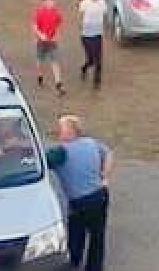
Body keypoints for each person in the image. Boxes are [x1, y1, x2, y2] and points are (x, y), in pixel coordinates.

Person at [51, 115, 113, 271]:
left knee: (76, 235)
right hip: (100, 196)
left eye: (61, 128)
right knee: (97, 237)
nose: (57, 131)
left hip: (79, 202)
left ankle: (73, 263)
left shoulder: (60, 152)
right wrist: (104, 176)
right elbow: (108, 153)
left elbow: (39, 161)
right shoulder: (91, 143)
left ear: (71, 131)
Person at [32, 0, 65, 96]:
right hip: (41, 42)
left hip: (52, 42)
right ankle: (40, 75)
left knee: (55, 62)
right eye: (49, 1)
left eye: (52, 1)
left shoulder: (57, 13)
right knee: (40, 61)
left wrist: (57, 35)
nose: (51, 3)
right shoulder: (39, 13)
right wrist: (40, 35)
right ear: (44, 2)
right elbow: (34, 27)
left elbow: (58, 25)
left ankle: (58, 83)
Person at [78, 0, 108, 90]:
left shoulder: (102, 3)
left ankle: (96, 82)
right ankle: (84, 67)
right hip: (86, 36)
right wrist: (82, 26)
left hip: (98, 35)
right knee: (91, 60)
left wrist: (103, 28)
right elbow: (80, 16)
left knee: (98, 59)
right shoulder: (84, 3)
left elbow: (104, 15)